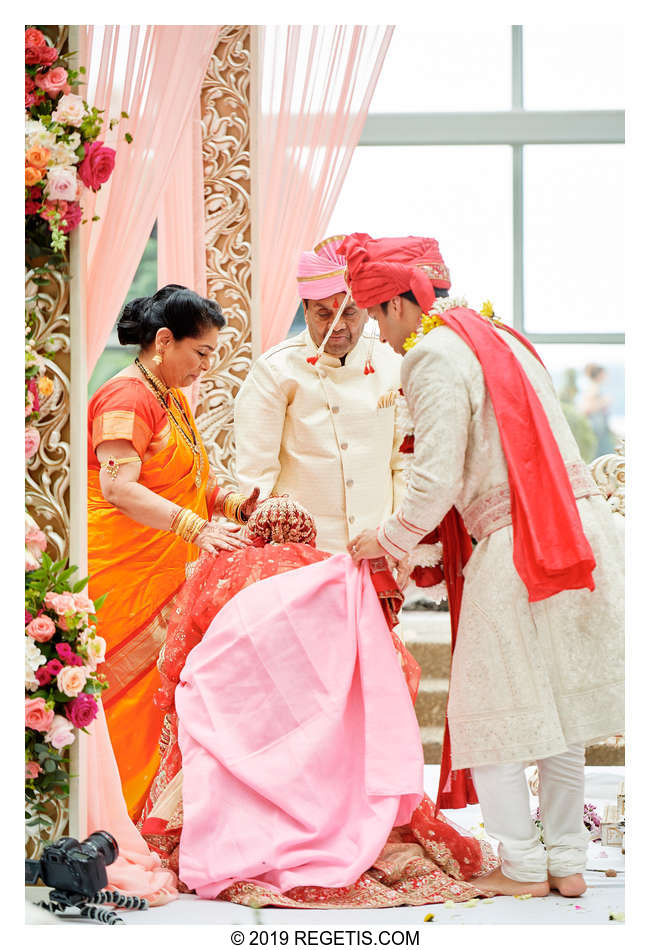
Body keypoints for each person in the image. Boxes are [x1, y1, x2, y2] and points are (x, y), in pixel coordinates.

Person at [344, 233, 624, 899]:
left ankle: (523, 865)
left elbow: (435, 478)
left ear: (399, 305)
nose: (380, 341)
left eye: (375, 318)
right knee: (555, 712)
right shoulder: (504, 338)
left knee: (489, 711)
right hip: (580, 530)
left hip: (520, 542)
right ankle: (567, 861)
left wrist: (386, 537)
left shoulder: (434, 356)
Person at [138, 496, 498, 908]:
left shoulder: (222, 569)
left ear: (255, 532)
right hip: (315, 725)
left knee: (196, 709)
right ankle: (330, 831)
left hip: (239, 722)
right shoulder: (330, 571)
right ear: (309, 532)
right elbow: (387, 655)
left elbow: (178, 655)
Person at [87, 284, 259, 819]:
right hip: (121, 576)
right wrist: (194, 529)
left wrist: (233, 505)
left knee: (161, 698)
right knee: (128, 700)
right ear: (164, 340)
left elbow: (184, 483)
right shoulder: (125, 397)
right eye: (201, 352)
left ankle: (153, 817)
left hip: (166, 568)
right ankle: (114, 820)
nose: (206, 366)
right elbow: (118, 488)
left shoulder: (169, 395)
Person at [234, 236, 407, 554]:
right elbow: (255, 475)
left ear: (367, 309)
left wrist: (400, 543)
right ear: (304, 308)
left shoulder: (392, 360)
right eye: (323, 314)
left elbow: (403, 463)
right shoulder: (275, 370)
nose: (337, 325)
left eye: (349, 312)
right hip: (300, 555)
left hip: (377, 549)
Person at [580, 363, 615, 457]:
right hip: (597, 426)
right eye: (604, 374)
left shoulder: (593, 386)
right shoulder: (593, 387)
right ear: (599, 374)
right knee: (603, 453)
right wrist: (604, 402)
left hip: (599, 425)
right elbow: (587, 407)